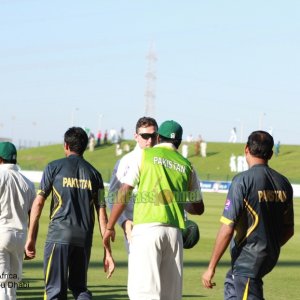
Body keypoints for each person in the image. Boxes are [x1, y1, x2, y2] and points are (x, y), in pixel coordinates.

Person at [104, 120, 205, 300]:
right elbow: (198, 207)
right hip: (174, 234)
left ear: (158, 137)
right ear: (180, 142)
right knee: (170, 296)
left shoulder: (144, 156)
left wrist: (110, 225)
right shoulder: (187, 165)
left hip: (147, 231)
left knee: (144, 294)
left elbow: (124, 191)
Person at [202, 130, 294, 300]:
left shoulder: (242, 181)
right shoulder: (284, 183)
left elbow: (227, 228)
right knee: (232, 282)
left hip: (248, 261)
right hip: (265, 258)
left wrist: (211, 267)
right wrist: (269, 246)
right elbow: (289, 229)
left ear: (246, 149)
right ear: (271, 154)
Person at [25, 127, 114, 300]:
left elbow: (38, 203)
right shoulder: (96, 175)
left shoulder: (53, 167)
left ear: (66, 145)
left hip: (58, 237)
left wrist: (31, 238)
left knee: (54, 292)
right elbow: (102, 215)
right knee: (80, 288)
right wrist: (107, 252)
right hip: (83, 240)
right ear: (85, 147)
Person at [106, 116, 158, 251]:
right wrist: (124, 222)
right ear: (136, 136)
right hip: (136, 231)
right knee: (139, 272)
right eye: (145, 136)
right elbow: (111, 197)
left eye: (154, 135)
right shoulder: (125, 162)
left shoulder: (164, 161)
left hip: (161, 230)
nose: (150, 140)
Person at [0, 142, 36, 300]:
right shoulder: (27, 182)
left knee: (1, 284)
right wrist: (31, 240)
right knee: (11, 286)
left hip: (1, 232)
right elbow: (33, 215)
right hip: (20, 236)